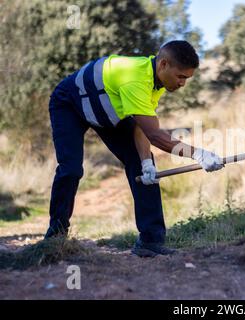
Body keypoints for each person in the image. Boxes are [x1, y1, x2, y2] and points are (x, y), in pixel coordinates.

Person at [45, 40, 224, 257]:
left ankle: (150, 241)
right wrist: (198, 154)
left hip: (106, 111)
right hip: (69, 103)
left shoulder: (156, 82)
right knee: (71, 168)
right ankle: (55, 238)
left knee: (143, 167)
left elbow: (142, 125)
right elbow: (156, 135)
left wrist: (146, 162)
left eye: (187, 78)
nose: (183, 83)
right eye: (181, 76)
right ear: (164, 65)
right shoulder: (136, 79)